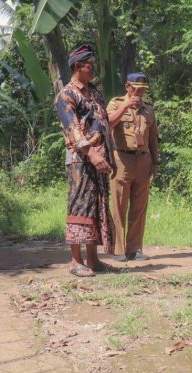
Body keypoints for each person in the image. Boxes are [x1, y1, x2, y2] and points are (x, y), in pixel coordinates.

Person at [55, 43, 116, 277]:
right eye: (90, 65)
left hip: (99, 159)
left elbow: (104, 123)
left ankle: (93, 259)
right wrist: (90, 153)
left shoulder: (96, 93)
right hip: (80, 159)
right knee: (80, 204)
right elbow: (73, 130)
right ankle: (75, 260)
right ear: (78, 66)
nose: (93, 69)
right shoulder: (67, 94)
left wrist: (107, 154)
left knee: (96, 206)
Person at [107, 73, 160, 262]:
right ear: (127, 87)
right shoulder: (116, 103)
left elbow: (153, 138)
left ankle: (135, 248)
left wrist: (155, 162)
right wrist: (125, 107)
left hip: (143, 159)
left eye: (143, 89)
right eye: (136, 89)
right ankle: (119, 249)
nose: (140, 93)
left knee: (139, 206)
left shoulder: (148, 110)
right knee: (119, 204)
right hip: (122, 158)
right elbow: (108, 123)